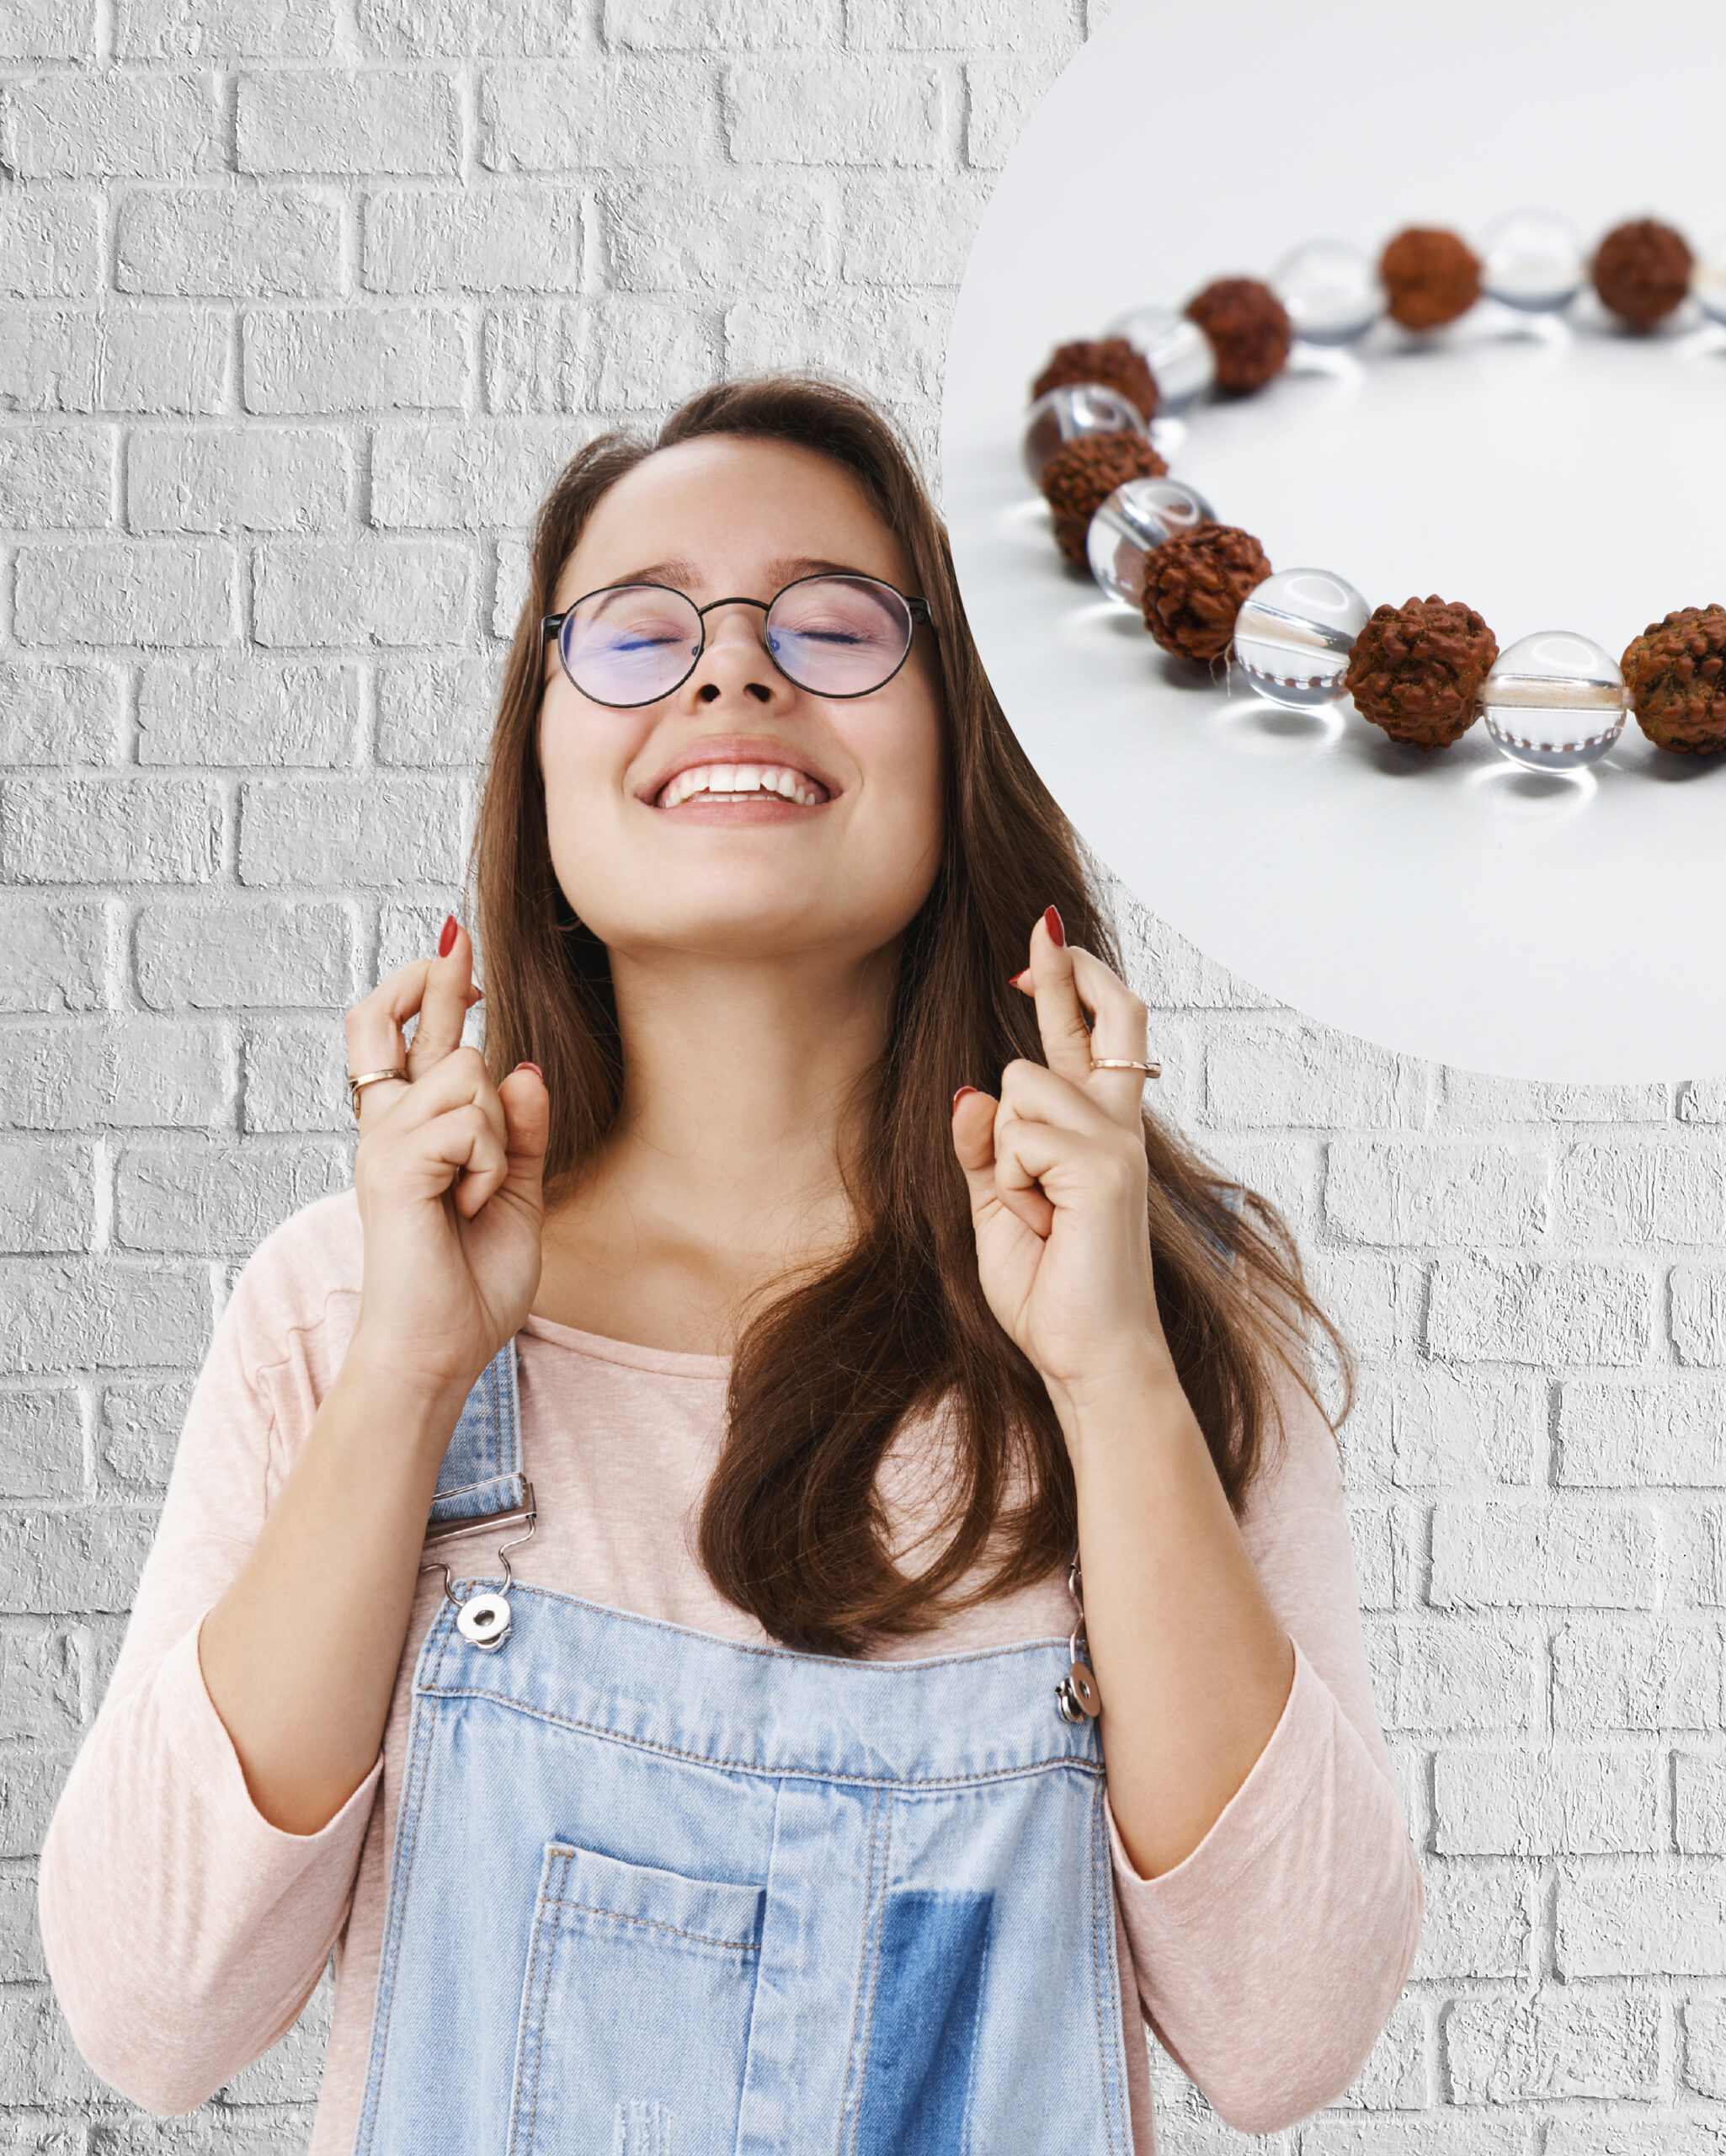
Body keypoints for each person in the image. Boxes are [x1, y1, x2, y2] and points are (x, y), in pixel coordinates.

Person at [35, 375, 1421, 2153]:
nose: (730, 668)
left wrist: (1109, 1377)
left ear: (955, 736)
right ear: (538, 760)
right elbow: (155, 2008)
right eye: (634, 632)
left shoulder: (1144, 1313)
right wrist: (405, 1371)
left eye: (833, 623)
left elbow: (1287, 2031)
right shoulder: (343, 1308)